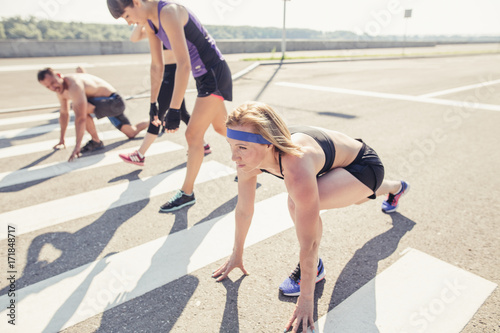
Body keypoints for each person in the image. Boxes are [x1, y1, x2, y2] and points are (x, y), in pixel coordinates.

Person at [212, 102, 410, 333]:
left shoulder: (295, 165)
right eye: (231, 145)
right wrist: (237, 253)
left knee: (297, 201)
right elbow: (244, 209)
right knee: (356, 197)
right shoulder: (248, 161)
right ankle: (395, 187)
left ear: (268, 143)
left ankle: (316, 268)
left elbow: (310, 241)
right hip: (332, 164)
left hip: (363, 165)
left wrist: (307, 298)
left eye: (242, 147)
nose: (234, 157)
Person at [107, 0, 232, 212]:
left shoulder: (168, 12)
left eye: (126, 16)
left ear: (136, 2)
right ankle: (258, 151)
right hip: (203, 76)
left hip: (214, 73)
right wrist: (153, 104)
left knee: (193, 135)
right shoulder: (151, 23)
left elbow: (183, 63)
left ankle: (187, 193)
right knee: (222, 128)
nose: (128, 23)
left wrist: (174, 110)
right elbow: (157, 66)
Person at [119, 24, 211, 167]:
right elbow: (134, 38)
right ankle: (203, 145)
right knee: (182, 113)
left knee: (157, 116)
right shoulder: (153, 27)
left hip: (173, 75)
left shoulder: (168, 25)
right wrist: (141, 21)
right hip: (168, 74)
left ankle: (140, 154)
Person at [37, 67, 149, 161]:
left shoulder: (73, 84)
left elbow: (80, 118)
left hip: (115, 102)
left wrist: (77, 146)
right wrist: (62, 139)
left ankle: (96, 141)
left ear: (58, 75)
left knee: (79, 108)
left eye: (53, 83)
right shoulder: (60, 89)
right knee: (131, 132)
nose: (52, 88)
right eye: (48, 87)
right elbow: (64, 114)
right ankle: (157, 120)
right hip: (106, 105)